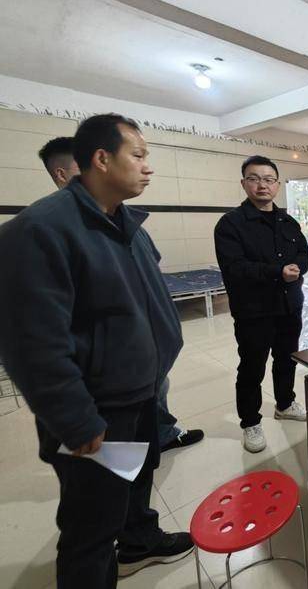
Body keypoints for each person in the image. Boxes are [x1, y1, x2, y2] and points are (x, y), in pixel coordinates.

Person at [0, 114, 194, 588]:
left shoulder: (128, 225)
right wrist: (76, 420)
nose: (148, 166)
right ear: (102, 159)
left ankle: (140, 541)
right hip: (97, 411)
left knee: (136, 482)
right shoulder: (41, 230)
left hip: (140, 393)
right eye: (139, 155)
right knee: (91, 526)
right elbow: (31, 344)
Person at [38, 136, 203, 454]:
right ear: (62, 174)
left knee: (154, 403)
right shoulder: (49, 232)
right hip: (106, 375)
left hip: (147, 354)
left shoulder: (127, 222)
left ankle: (162, 435)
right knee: (117, 456)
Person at [214, 155, 308, 453]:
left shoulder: (288, 221)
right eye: (254, 179)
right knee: (252, 368)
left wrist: (298, 268)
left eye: (268, 179)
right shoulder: (231, 224)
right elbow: (235, 268)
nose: (262, 185)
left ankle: (284, 404)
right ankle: (250, 422)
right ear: (244, 183)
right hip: (254, 312)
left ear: (277, 185)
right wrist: (277, 272)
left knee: (286, 360)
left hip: (289, 307)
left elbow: (305, 254)